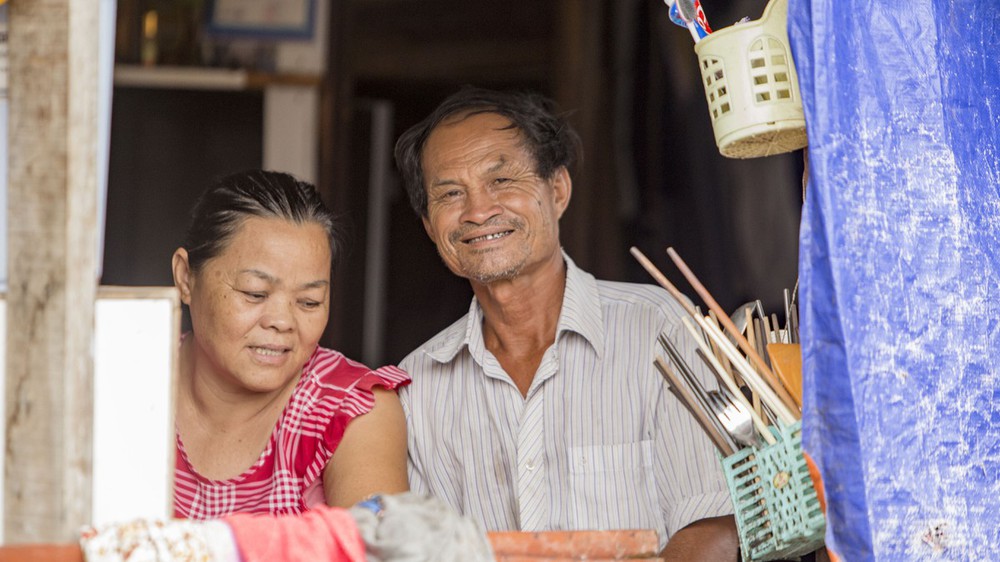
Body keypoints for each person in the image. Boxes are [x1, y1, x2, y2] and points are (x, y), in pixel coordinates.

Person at [393, 87, 739, 560]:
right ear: (432, 226)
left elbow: (714, 525)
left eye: (501, 181)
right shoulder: (418, 387)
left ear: (556, 190)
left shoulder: (660, 330)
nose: (478, 211)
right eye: (451, 192)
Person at [170, 170, 410, 519]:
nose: (282, 322)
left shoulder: (350, 410)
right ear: (185, 277)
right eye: (255, 293)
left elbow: (378, 551)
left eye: (309, 302)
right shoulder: (122, 380)